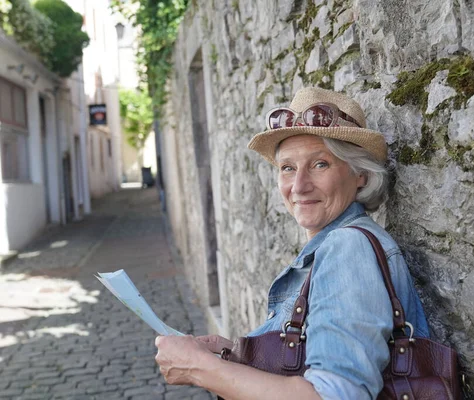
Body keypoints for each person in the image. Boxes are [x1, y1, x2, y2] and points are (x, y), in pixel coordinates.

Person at [155, 87, 430, 399]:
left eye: (320, 164)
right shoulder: (330, 247)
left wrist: (197, 368)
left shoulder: (347, 250)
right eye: (288, 167)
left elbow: (332, 395)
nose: (299, 186)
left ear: (361, 175)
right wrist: (233, 352)